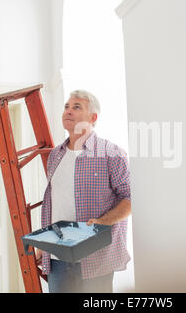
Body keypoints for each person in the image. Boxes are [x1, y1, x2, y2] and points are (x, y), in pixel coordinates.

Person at [35, 89, 131, 293]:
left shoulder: (112, 154)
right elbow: (56, 203)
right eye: (66, 107)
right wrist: (43, 246)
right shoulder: (55, 156)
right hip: (57, 257)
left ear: (93, 117)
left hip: (95, 257)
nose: (68, 111)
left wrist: (103, 221)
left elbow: (130, 198)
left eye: (76, 107)